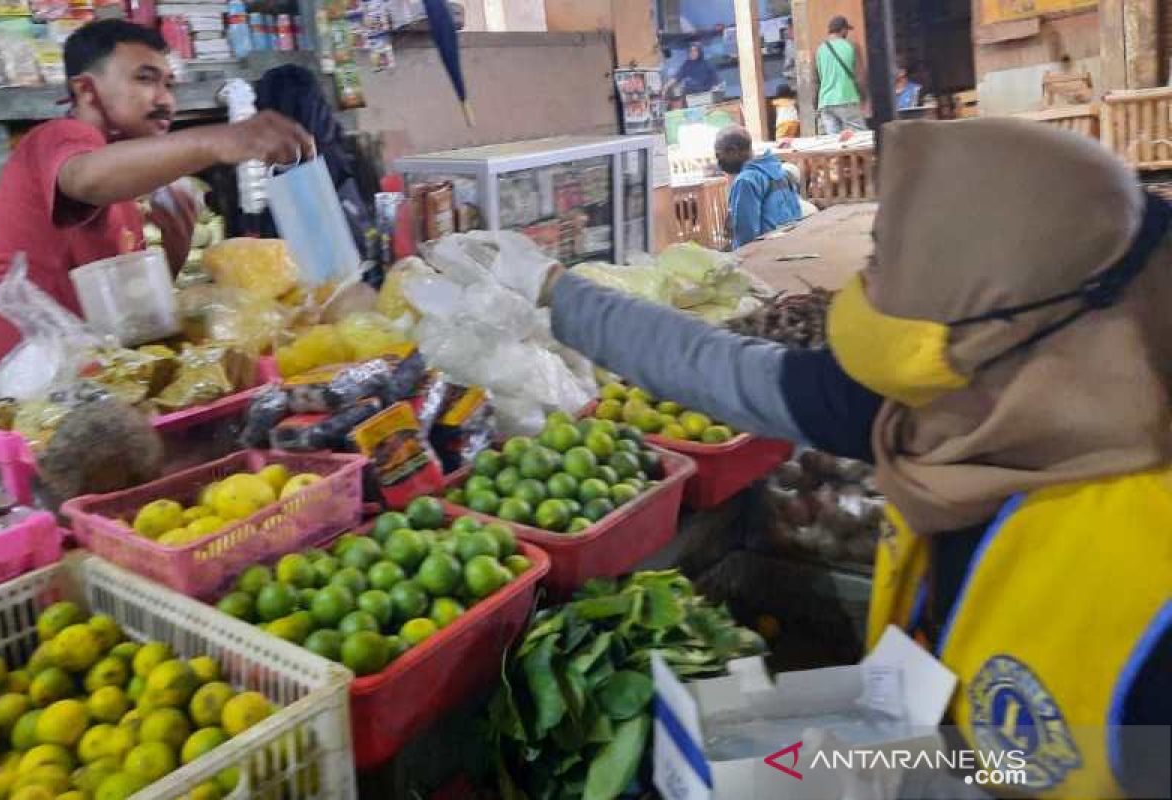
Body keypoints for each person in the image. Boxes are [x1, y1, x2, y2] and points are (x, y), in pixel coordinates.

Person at [493, 118, 1169, 798]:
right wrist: (556, 290)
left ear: (996, 303)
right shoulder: (951, 400)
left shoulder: (1149, 583)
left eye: (898, 262)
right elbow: (723, 370)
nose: (871, 288)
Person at [0, 19, 314, 373]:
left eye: (169, 84)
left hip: (66, 380)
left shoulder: (125, 187)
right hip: (2, 379)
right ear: (87, 90)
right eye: (145, 79)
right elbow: (85, 178)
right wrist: (220, 139)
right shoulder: (58, 137)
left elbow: (123, 312)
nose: (166, 100)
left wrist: (174, 252)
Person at [715, 125, 801, 249]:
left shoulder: (746, 181)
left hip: (765, 253)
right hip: (790, 244)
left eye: (719, 155)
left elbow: (745, 236)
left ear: (733, 151)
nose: (718, 162)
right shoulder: (778, 170)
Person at [815, 15, 867, 135]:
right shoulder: (852, 46)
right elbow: (860, 77)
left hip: (826, 102)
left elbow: (816, 80)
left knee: (835, 144)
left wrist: (817, 104)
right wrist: (863, 97)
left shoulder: (820, 50)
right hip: (846, 98)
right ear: (843, 30)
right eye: (847, 30)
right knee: (859, 138)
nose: (847, 32)